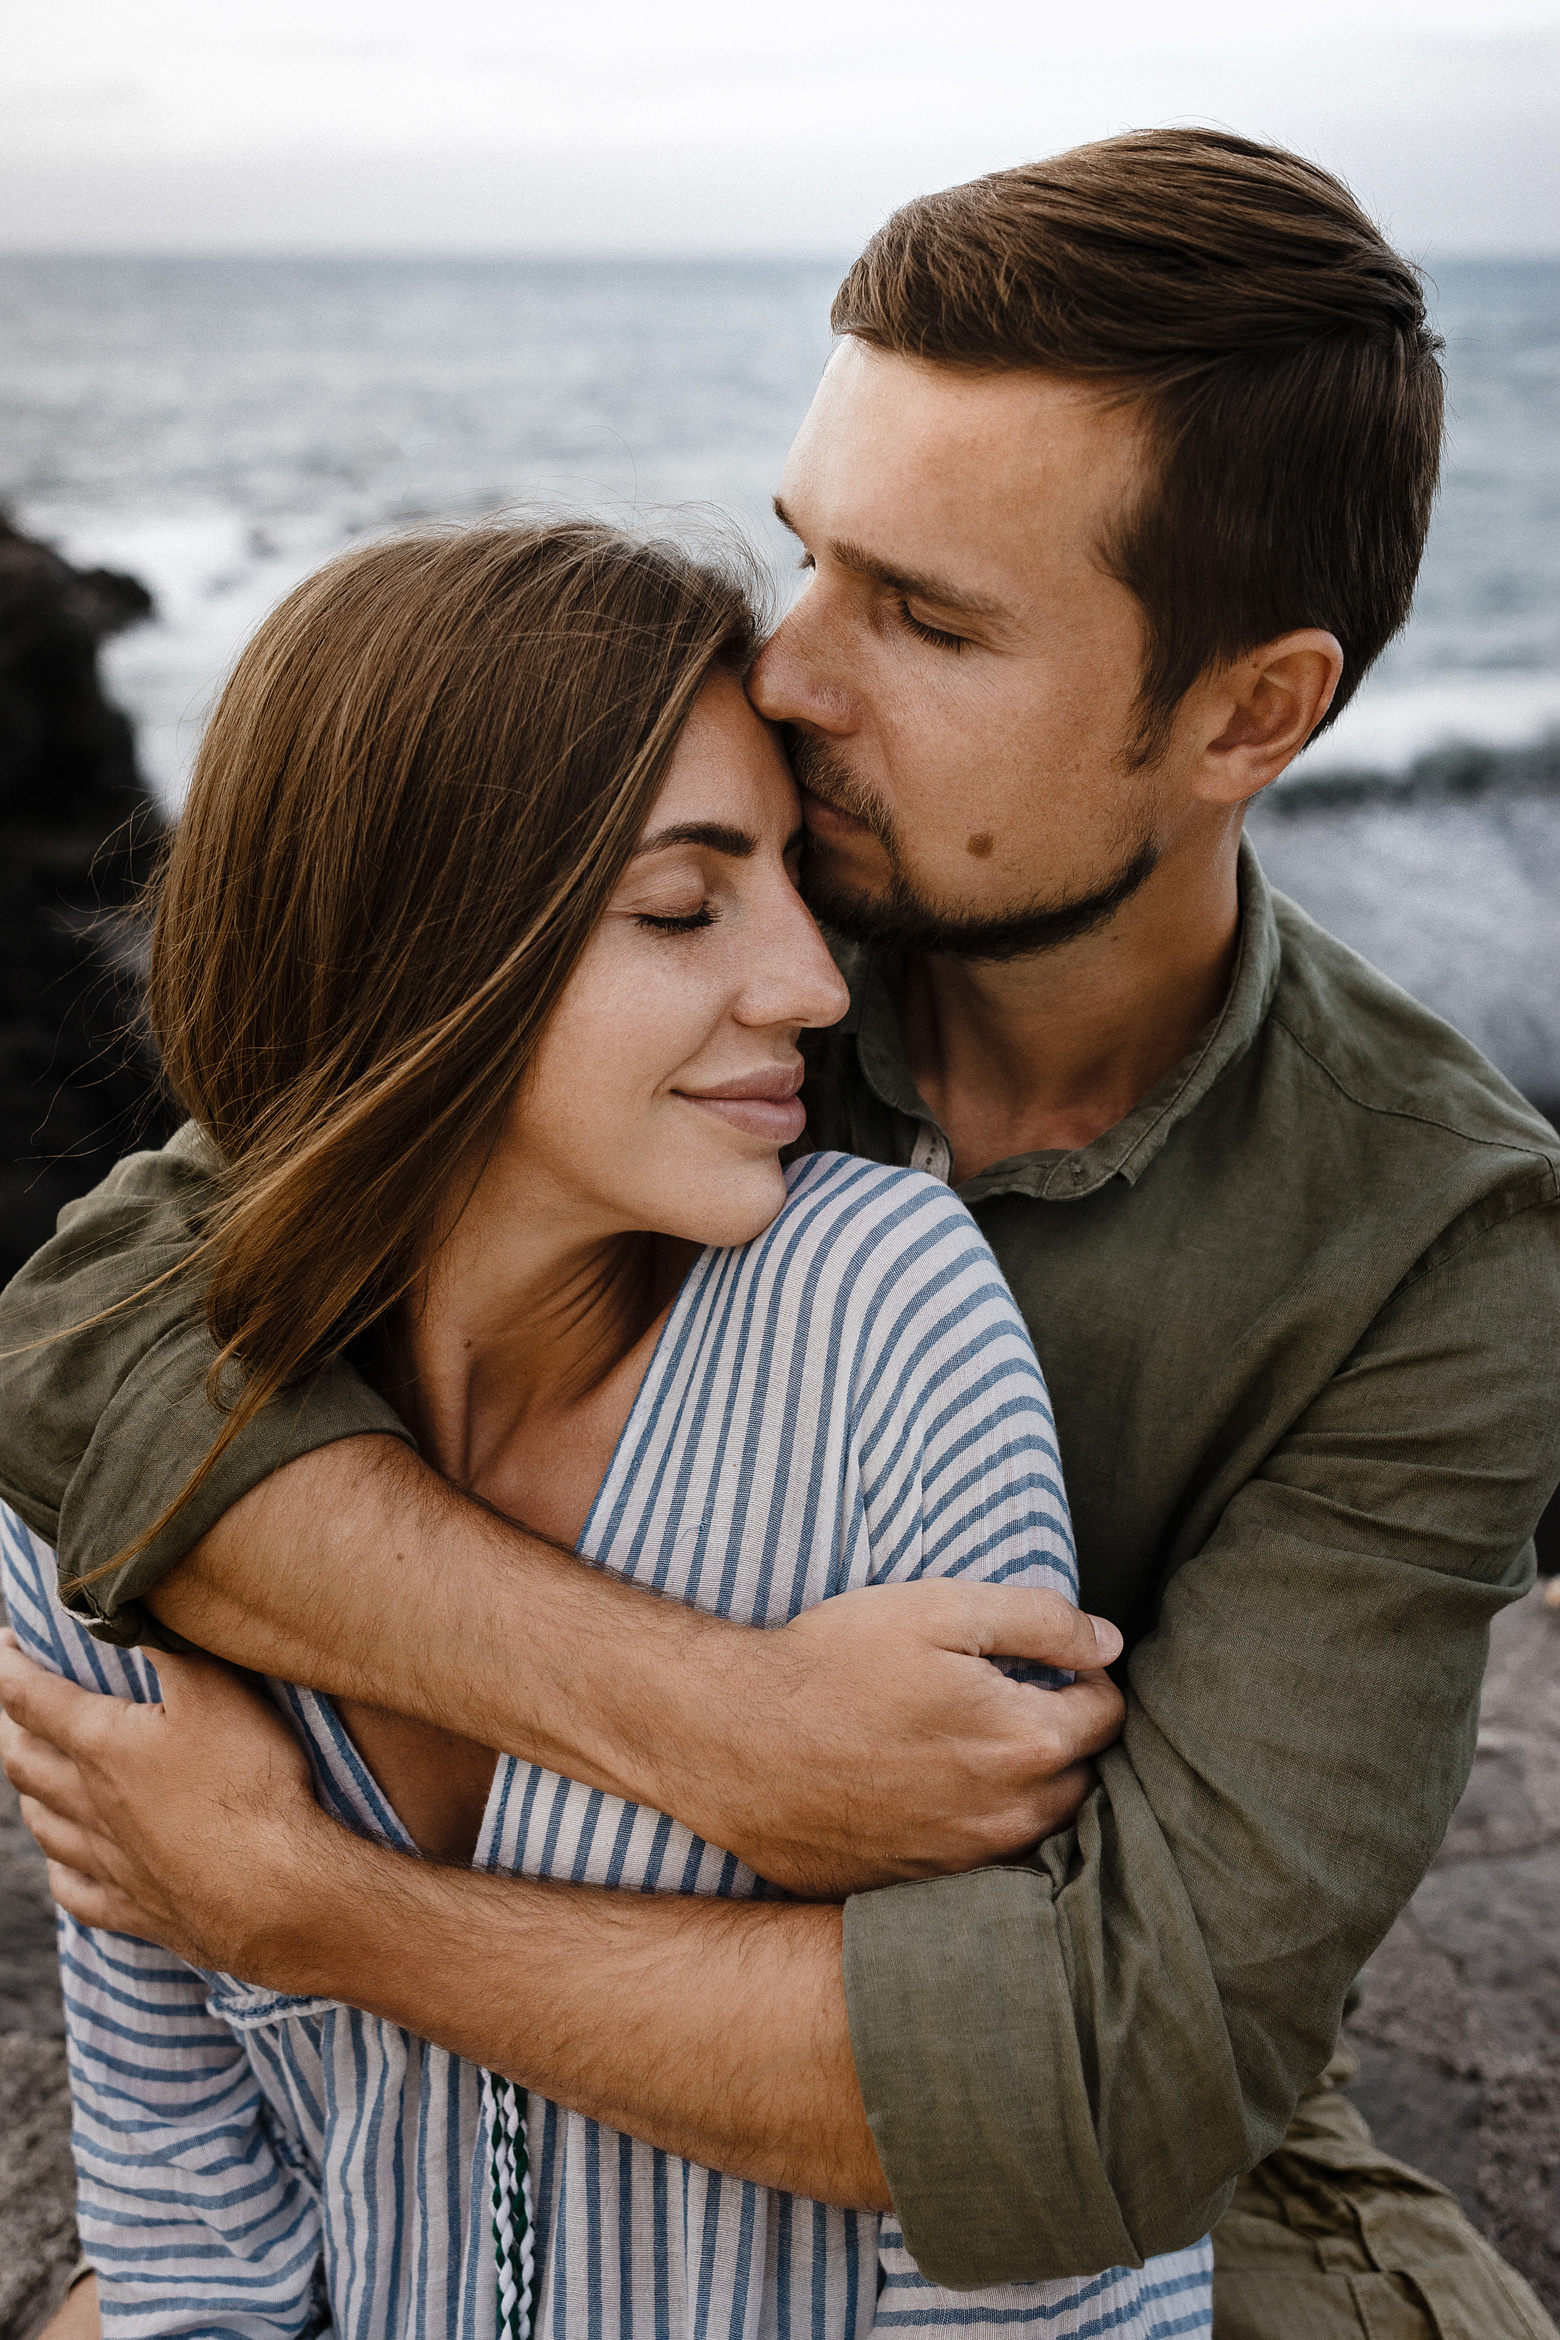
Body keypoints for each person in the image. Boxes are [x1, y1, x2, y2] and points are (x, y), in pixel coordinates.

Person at [3, 127, 1559, 2340]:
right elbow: (95, 1340)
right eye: (811, 549)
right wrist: (718, 1724)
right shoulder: (705, 919)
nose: (792, 668)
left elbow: (1115, 2080)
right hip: (474, 2089)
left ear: (1251, 712)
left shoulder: (1432, 1241)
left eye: (925, 617)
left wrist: (308, 1910)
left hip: (1072, 2163)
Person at [1, 516, 1196, 2337]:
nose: (812, 981)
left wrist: (295, 1897)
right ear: (410, 955)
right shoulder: (98, 1476)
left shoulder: (874, 1316)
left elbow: (1032, 2263)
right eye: (681, 905)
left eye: (791, 880)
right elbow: (196, 2257)